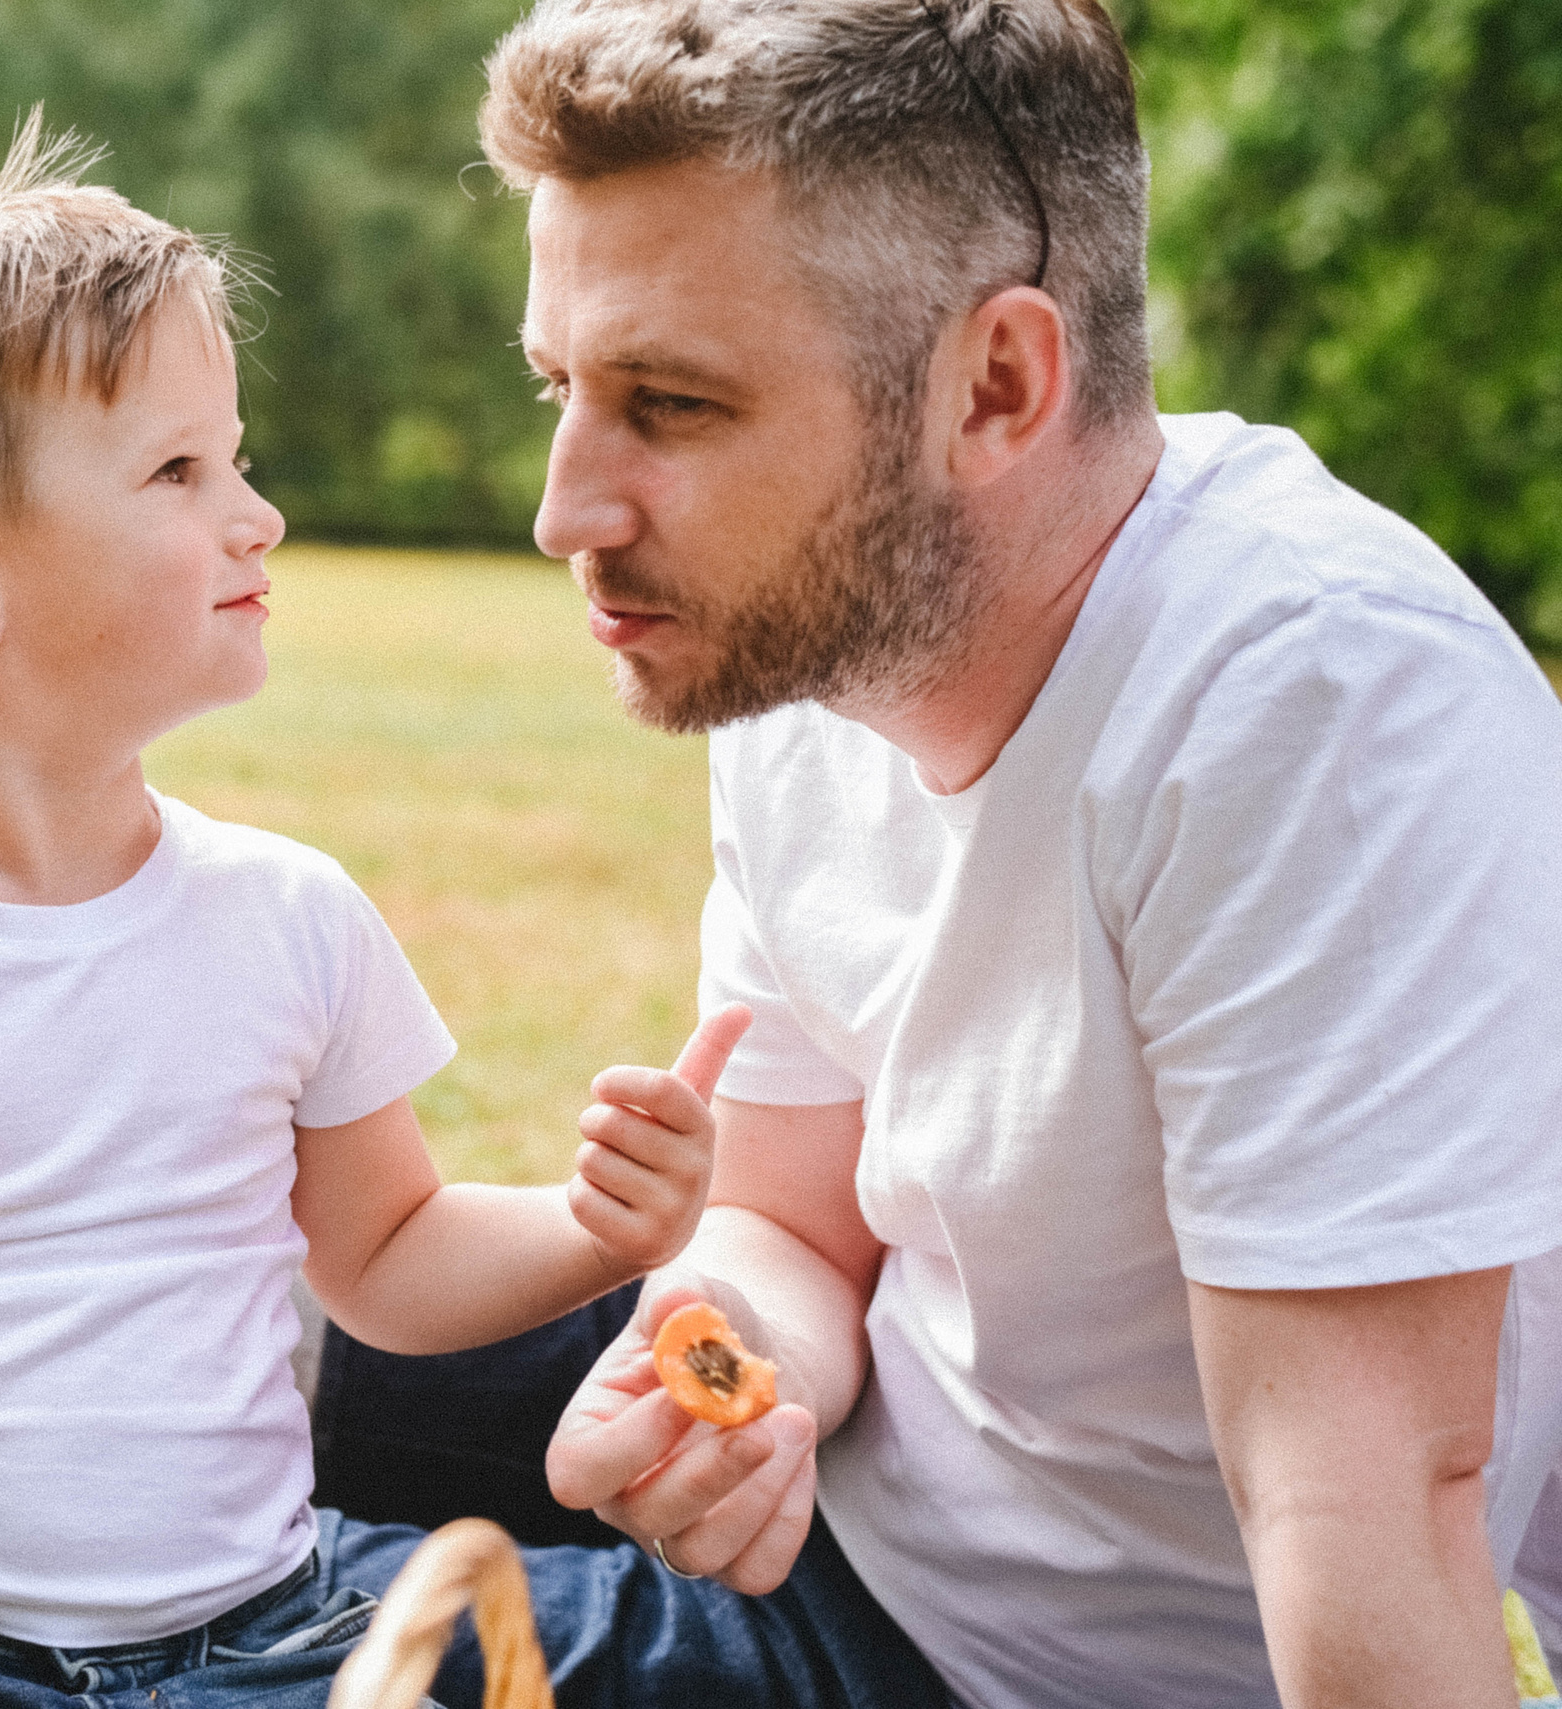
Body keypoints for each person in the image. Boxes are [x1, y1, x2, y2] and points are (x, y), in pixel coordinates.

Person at [359, 0, 1561, 1705]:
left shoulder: (1310, 707)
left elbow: (1365, 1517)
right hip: (861, 1508)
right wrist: (746, 1380)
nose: (568, 509)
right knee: (158, 1323)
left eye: (672, 403)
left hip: (1013, 1671)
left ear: (995, 384)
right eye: (565, 388)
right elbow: (786, 1215)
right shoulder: (810, 646)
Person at [0, 118, 750, 1709]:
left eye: (233, 459)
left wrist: (599, 1229)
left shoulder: (288, 919)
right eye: (180, 471)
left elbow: (388, 1259)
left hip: (254, 1636)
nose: (257, 514)